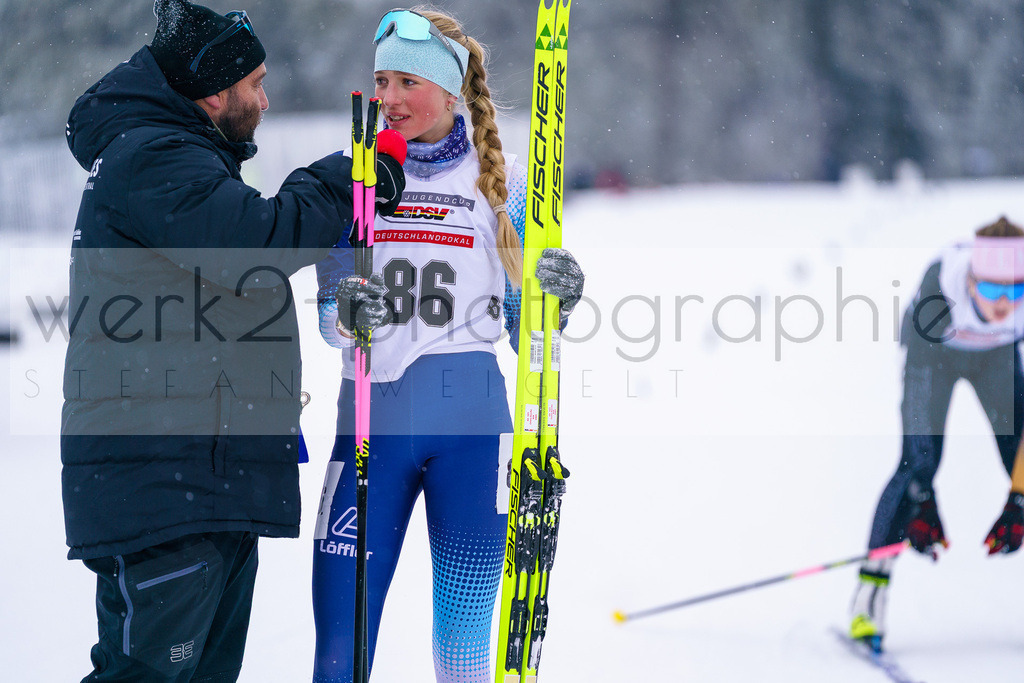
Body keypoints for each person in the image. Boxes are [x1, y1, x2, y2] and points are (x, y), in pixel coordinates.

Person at [61, 1, 405, 680]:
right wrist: (339, 177)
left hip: (199, 480)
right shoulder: (152, 157)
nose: (266, 99)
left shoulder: (175, 153)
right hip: (166, 484)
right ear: (213, 92)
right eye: (255, 84)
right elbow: (258, 245)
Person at [309, 8, 584, 682]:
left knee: (463, 648)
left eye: (406, 80)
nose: (389, 98)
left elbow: (528, 333)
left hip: (472, 432)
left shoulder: (509, 186)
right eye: (380, 81)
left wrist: (558, 299)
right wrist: (344, 308)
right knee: (340, 644)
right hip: (370, 424)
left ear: (448, 87)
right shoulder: (353, 177)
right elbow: (326, 313)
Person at [849, 216, 1024, 652]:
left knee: (1018, 456)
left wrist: (1019, 498)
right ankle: (869, 597)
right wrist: (922, 497)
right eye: (992, 289)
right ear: (971, 282)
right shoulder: (939, 293)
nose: (1005, 302)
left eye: (1016, 289)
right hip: (936, 354)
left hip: (997, 354)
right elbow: (919, 420)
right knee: (917, 465)